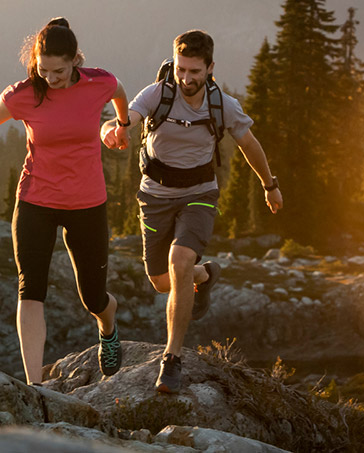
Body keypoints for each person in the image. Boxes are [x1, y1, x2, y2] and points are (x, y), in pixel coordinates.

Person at [0, 17, 129, 386]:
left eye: (59, 71)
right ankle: (34, 386)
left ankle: (108, 327)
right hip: (36, 199)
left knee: (93, 298)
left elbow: (120, 93)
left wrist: (121, 127)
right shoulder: (24, 93)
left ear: (75, 61)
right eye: (43, 69)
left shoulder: (99, 82)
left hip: (87, 202)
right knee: (30, 289)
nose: (51, 78)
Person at [100, 29, 282, 393]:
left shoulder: (222, 105)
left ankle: (172, 359)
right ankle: (205, 275)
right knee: (161, 281)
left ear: (210, 68)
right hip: (154, 196)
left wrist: (269, 185)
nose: (186, 78)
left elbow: (249, 144)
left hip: (199, 193)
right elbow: (129, 118)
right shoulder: (157, 94)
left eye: (195, 71)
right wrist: (113, 129)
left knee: (179, 261)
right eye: (182, 69)